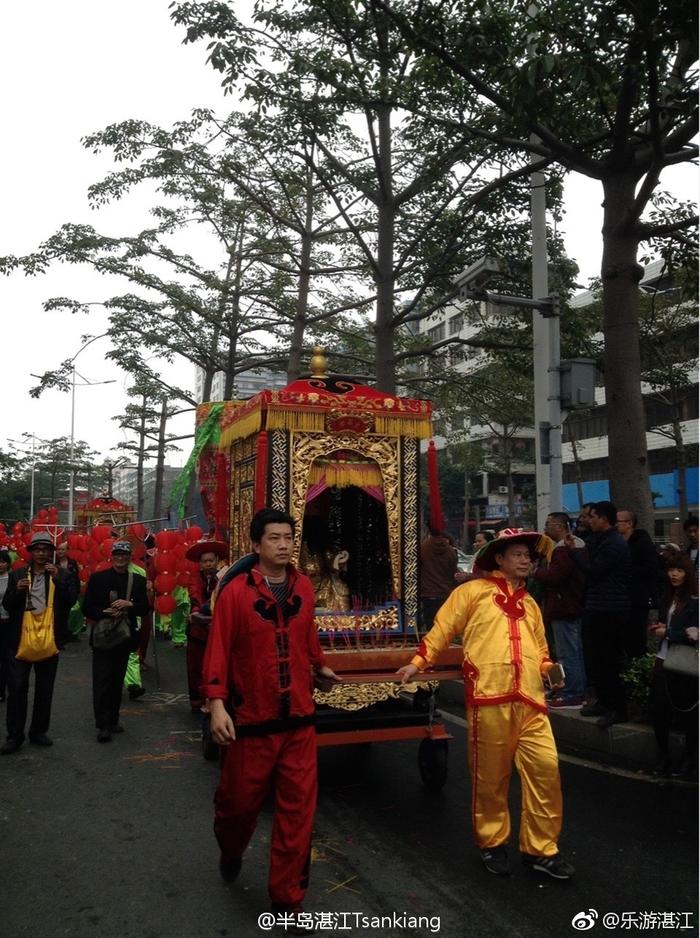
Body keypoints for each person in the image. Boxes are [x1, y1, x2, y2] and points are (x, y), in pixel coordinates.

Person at [398, 529, 575, 881]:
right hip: (488, 698)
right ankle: (492, 843)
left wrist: (549, 670)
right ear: (500, 558)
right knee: (490, 778)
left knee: (545, 772)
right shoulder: (471, 592)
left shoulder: (530, 604)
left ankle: (541, 850)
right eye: (520, 554)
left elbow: (541, 651)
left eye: (529, 556)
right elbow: (442, 630)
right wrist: (418, 663)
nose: (527, 561)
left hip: (531, 701)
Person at [203, 508, 341, 927]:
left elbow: (307, 637)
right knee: (238, 807)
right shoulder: (236, 593)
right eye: (275, 538)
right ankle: (230, 848)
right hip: (252, 721)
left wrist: (319, 668)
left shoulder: (303, 586)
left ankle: (287, 901)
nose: (283, 545)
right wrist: (217, 704)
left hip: (298, 719)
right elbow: (219, 650)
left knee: (298, 815)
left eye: (288, 538)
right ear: (257, 544)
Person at [564, 501, 631, 727]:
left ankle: (618, 708)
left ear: (604, 519)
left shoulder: (614, 543)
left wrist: (573, 552)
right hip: (596, 606)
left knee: (610, 660)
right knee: (596, 659)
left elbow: (594, 571)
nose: (588, 521)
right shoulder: (599, 540)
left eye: (592, 517)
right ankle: (603, 701)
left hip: (611, 609)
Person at [1, 532, 69, 754]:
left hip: (49, 639)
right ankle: (14, 735)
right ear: (31, 552)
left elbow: (70, 602)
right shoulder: (18, 574)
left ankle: (38, 731)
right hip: (20, 640)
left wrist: (58, 580)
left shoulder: (62, 574)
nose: (41, 553)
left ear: (51, 552)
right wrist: (18, 592)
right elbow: (8, 605)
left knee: (44, 688)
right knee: (17, 688)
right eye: (37, 550)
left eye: (45, 550)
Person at [83, 540, 149, 743]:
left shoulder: (137, 580)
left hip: (124, 637)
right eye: (117, 554)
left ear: (130, 558)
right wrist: (104, 612)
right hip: (103, 637)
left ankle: (113, 719)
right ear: (111, 556)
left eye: (125, 555)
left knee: (117, 680)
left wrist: (130, 604)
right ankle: (102, 724)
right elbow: (87, 607)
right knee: (102, 681)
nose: (121, 558)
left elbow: (145, 608)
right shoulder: (97, 579)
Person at [648, 554, 698, 781]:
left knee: (688, 716)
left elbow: (694, 635)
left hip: (684, 664)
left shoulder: (695, 600)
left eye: (679, 570)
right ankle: (663, 756)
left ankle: (690, 760)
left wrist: (669, 633)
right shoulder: (669, 597)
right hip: (663, 659)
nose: (674, 574)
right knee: (658, 712)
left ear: (687, 573)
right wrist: (661, 628)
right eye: (671, 570)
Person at [533, 513, 587, 708]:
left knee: (567, 653)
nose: (545, 529)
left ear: (559, 526)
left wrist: (535, 571)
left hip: (563, 606)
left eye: (548, 524)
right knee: (573, 651)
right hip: (571, 605)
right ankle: (572, 690)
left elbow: (556, 576)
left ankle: (572, 693)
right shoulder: (574, 545)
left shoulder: (563, 549)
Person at [185, 537, 228, 713]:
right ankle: (197, 701)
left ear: (217, 561)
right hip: (198, 630)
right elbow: (195, 597)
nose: (208, 564)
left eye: (211, 560)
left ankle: (215, 700)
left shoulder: (223, 579)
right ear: (200, 564)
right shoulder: (196, 579)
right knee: (195, 667)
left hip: (217, 630)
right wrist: (197, 611)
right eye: (205, 561)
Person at [615, 509, 659, 659]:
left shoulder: (642, 542)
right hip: (621, 598)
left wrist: (626, 570)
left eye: (618, 521)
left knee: (637, 637)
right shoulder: (617, 542)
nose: (615, 525)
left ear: (629, 523)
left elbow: (650, 568)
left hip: (638, 598)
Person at [419, 527, 458, 630]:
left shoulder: (423, 548)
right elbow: (452, 571)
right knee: (444, 626)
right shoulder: (450, 551)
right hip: (445, 593)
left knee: (431, 627)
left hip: (428, 593)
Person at [53, 541, 81, 648]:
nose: (60, 551)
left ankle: (64, 637)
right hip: (56, 593)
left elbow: (76, 578)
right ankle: (57, 640)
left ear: (67, 550)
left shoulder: (72, 563)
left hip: (69, 593)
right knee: (57, 617)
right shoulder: (53, 562)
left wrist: (76, 592)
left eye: (62, 549)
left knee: (65, 616)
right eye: (58, 549)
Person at [0, 550, 14, 703]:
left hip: (8, 621)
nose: (0, 565)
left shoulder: (12, 578)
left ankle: (3, 688)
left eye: (3, 562)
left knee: (6, 658)